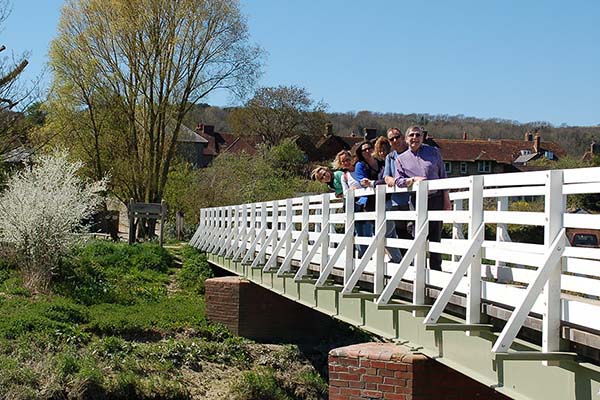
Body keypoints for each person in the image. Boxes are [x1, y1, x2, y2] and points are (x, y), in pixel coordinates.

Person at [395, 126, 451, 271]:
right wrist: (412, 180)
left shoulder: (434, 152)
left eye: (418, 135)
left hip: (436, 197)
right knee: (418, 235)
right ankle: (417, 270)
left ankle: (436, 271)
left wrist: (446, 199)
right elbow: (398, 181)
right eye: (411, 135)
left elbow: (443, 176)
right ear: (406, 139)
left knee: (435, 235)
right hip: (416, 199)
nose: (415, 138)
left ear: (422, 137)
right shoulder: (401, 159)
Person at [359, 136, 403, 264]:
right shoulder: (383, 163)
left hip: (393, 200)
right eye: (380, 150)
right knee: (388, 232)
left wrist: (372, 183)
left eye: (385, 149)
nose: (383, 153)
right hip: (383, 202)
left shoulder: (392, 161)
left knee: (387, 232)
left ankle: (399, 260)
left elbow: (387, 180)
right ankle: (398, 260)